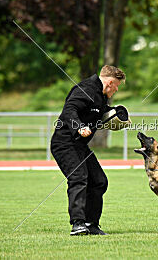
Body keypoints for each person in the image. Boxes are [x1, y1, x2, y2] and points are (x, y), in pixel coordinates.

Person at [50, 65, 125, 236]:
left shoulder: (100, 95)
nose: (116, 90)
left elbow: (103, 112)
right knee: (79, 177)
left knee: (99, 181)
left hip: (79, 146)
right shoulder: (86, 89)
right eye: (117, 86)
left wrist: (119, 113)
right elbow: (69, 110)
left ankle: (91, 224)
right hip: (64, 143)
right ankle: (78, 224)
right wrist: (79, 126)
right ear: (111, 82)